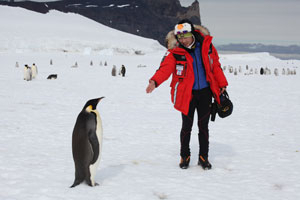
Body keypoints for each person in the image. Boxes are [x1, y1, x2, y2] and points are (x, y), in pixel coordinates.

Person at [146, 19, 228, 170]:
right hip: (187, 95)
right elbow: (165, 68)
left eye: (186, 36)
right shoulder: (174, 53)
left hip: (205, 93)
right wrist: (154, 81)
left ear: (193, 34)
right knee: (186, 127)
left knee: (203, 127)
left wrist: (222, 84)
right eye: (180, 37)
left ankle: (204, 157)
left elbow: (215, 66)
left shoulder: (206, 47)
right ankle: (185, 156)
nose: (183, 40)